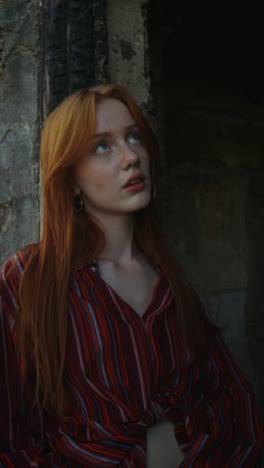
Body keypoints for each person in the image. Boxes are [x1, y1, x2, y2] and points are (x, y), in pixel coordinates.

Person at [0, 83, 263, 467]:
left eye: (134, 137)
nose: (131, 157)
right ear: (70, 177)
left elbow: (235, 403)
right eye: (102, 146)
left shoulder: (172, 282)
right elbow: (9, 436)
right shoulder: (31, 278)